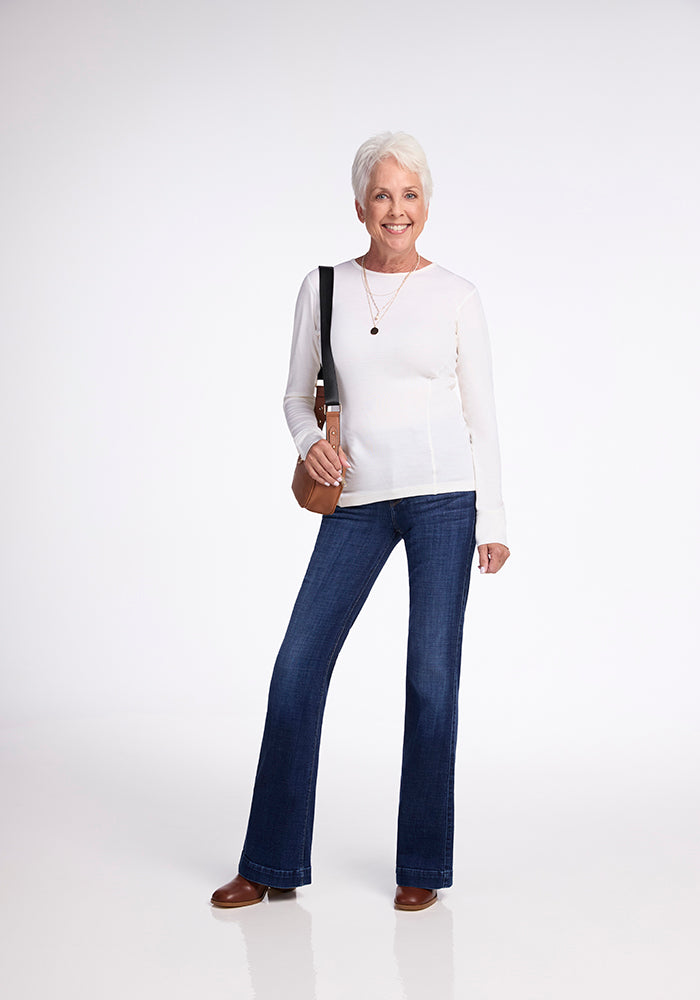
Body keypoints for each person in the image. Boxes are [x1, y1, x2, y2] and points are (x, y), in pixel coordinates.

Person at [212, 131, 510, 912]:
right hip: (355, 500)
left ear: (426, 204)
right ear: (359, 206)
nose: (396, 209)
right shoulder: (326, 287)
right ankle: (270, 862)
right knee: (297, 667)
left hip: (445, 497)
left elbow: (482, 415)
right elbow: (291, 395)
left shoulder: (456, 295)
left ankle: (422, 863)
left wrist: (494, 517)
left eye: (409, 194)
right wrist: (311, 445)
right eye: (382, 195)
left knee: (430, 678)